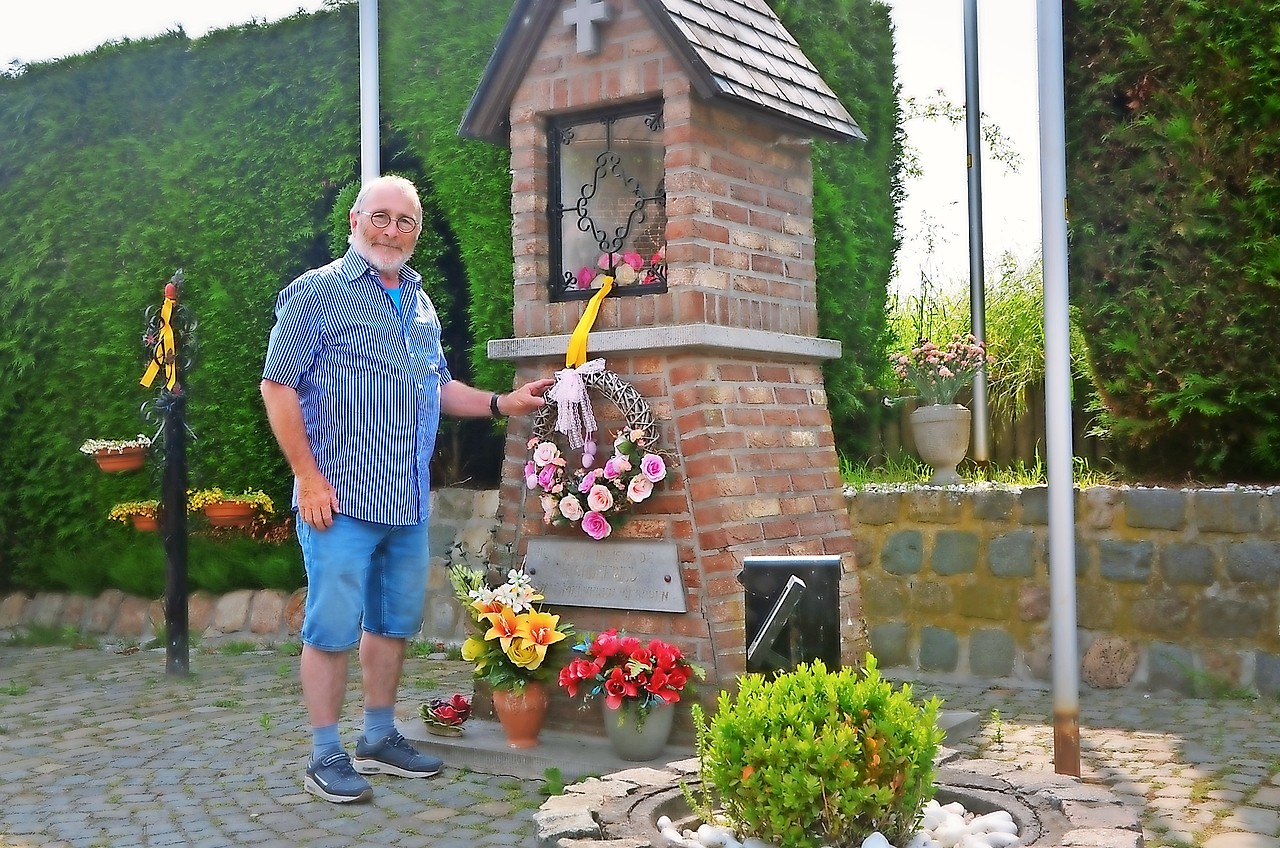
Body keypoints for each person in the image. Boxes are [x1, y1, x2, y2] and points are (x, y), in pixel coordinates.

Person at [260, 174, 552, 804]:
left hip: (407, 500)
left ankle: (378, 735)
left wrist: (504, 401)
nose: (392, 230)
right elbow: (278, 387)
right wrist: (307, 477)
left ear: (416, 233)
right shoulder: (315, 294)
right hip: (337, 498)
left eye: (406, 222)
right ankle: (324, 752)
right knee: (332, 625)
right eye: (382, 217)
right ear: (355, 219)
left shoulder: (418, 301)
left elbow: (438, 386)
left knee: (392, 623)